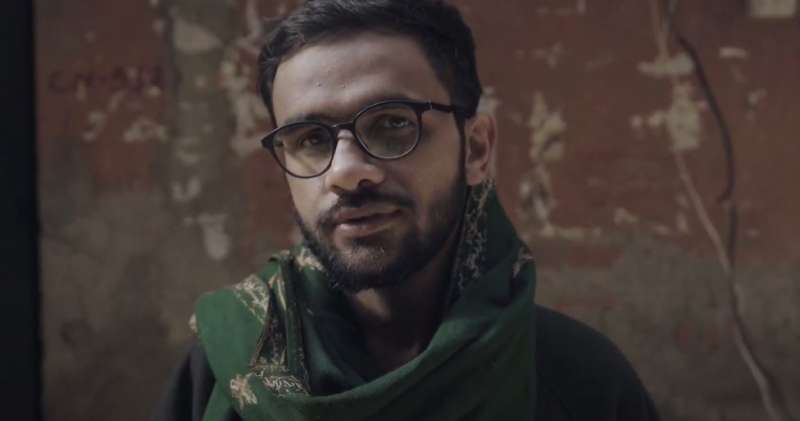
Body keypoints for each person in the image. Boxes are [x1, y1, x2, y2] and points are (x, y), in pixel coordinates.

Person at [154, 1, 660, 420]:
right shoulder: (225, 371)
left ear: (476, 148)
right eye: (310, 138)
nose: (346, 172)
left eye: (393, 124)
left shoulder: (581, 381)